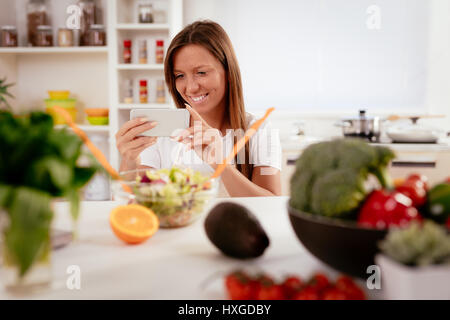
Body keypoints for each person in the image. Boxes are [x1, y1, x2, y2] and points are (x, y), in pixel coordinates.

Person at [115, 20, 282, 197]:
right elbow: (130, 207)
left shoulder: (259, 131)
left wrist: (219, 164)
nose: (191, 87)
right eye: (180, 75)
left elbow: (270, 205)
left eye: (201, 72)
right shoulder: (160, 134)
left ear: (228, 72)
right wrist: (128, 160)